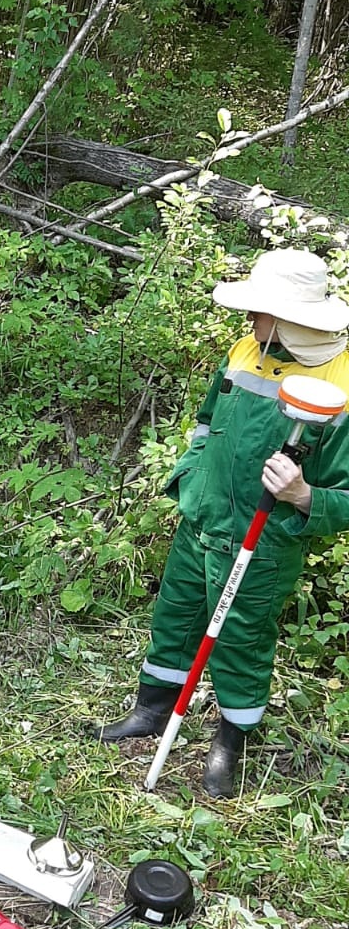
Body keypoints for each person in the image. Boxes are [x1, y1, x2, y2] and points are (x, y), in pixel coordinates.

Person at [98, 247, 349, 798]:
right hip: (202, 521)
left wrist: (303, 494)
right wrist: (191, 477)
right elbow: (207, 421)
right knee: (176, 617)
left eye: (259, 309)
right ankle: (152, 711)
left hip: (265, 541)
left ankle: (229, 744)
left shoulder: (341, 382)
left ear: (288, 318)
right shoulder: (245, 350)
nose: (248, 316)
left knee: (239, 640)